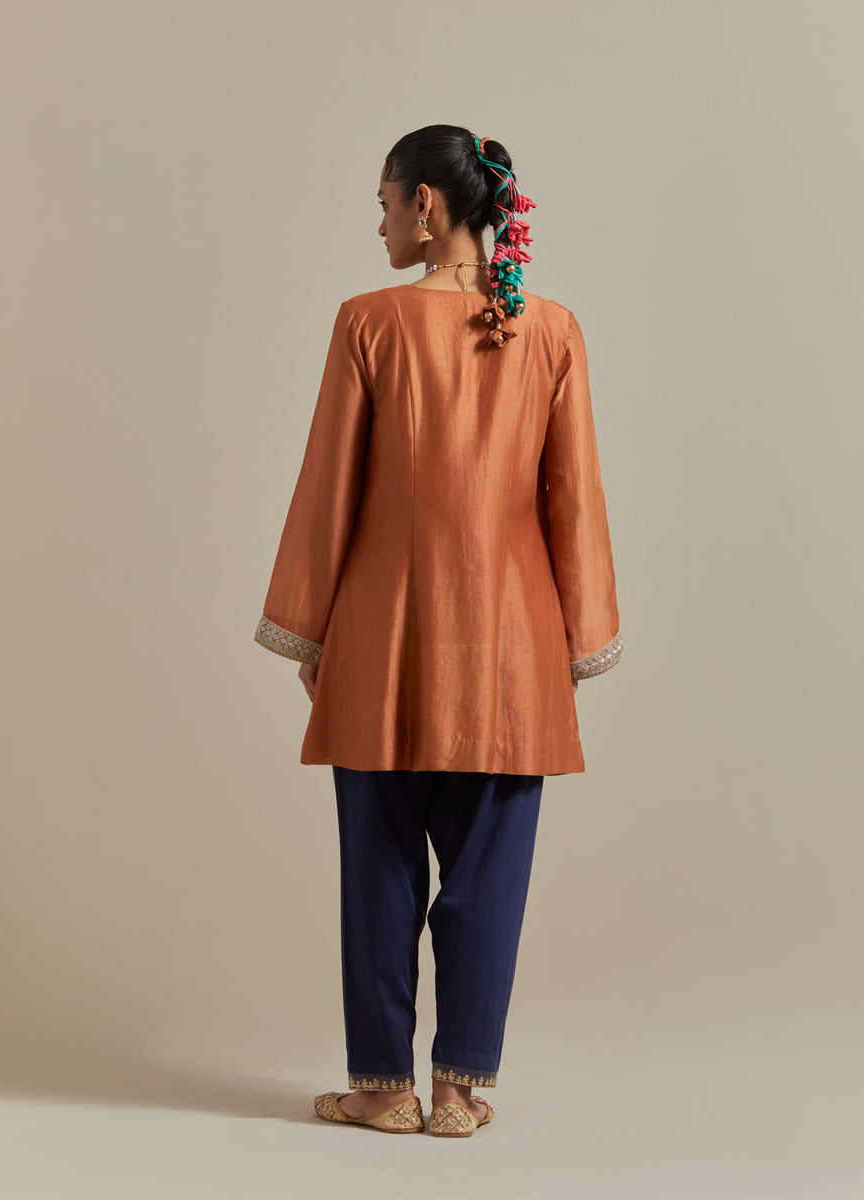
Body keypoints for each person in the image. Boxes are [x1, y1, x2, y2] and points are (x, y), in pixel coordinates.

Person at [254, 125, 622, 1138]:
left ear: (425, 204)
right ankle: (458, 1091)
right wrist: (579, 643)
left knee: (377, 866)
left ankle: (383, 1090)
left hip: (382, 640)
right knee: (488, 873)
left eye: (383, 203)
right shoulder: (551, 328)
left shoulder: (367, 323)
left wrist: (310, 632)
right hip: (513, 646)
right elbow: (574, 502)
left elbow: (329, 485)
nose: (378, 224)